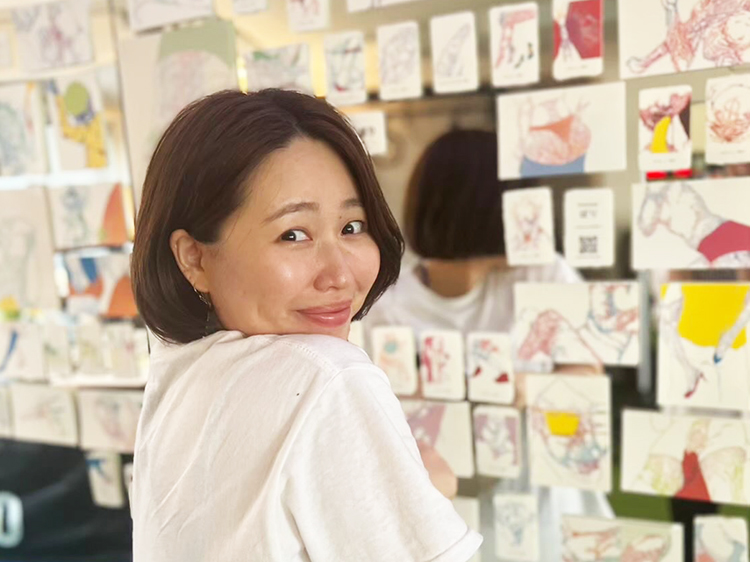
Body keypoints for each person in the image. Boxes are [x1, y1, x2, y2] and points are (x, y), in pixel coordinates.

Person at [129, 89, 482, 561]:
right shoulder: (328, 376)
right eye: (293, 235)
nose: (340, 275)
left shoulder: (179, 377)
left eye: (352, 227)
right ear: (194, 257)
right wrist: (429, 491)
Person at [362, 129, 613, 562]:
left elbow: (589, 372)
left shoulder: (542, 273)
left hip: (537, 496)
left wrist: (523, 388)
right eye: (523, 206)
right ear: (487, 211)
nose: (535, 220)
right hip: (447, 499)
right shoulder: (389, 304)